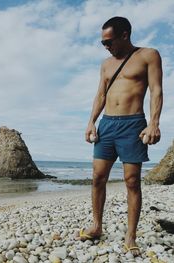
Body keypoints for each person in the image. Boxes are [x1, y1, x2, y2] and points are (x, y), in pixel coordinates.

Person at [77, 16, 163, 256]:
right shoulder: (106, 64)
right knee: (97, 178)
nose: (106, 46)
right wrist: (91, 122)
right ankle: (96, 226)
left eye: (109, 41)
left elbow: (156, 90)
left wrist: (154, 123)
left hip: (133, 124)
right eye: (103, 42)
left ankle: (131, 236)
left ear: (124, 35)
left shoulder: (149, 55)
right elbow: (100, 95)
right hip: (107, 125)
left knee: (132, 181)